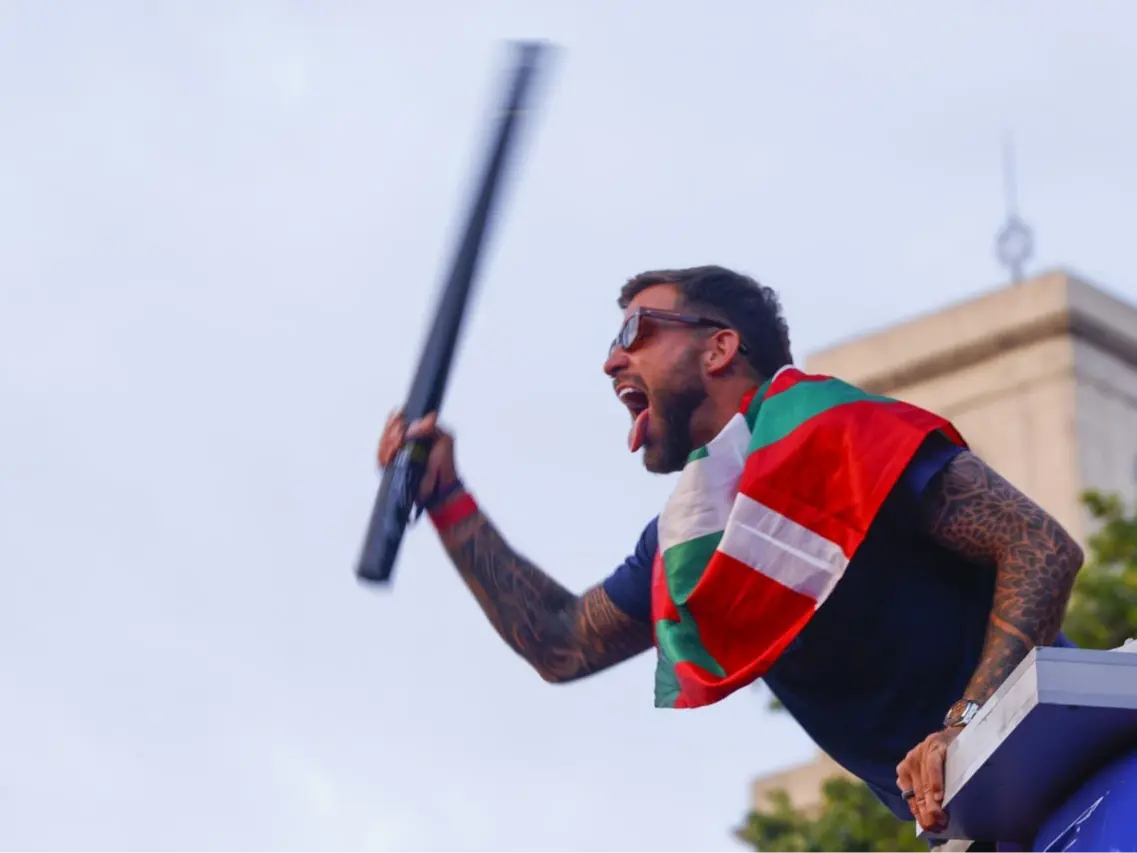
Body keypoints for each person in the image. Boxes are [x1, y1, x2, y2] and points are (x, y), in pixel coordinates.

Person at [376, 265, 1084, 835]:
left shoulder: (840, 432)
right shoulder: (690, 543)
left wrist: (966, 725)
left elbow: (1040, 546)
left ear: (718, 348)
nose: (612, 359)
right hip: (989, 824)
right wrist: (447, 499)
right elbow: (560, 643)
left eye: (636, 331)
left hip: (1086, 769)